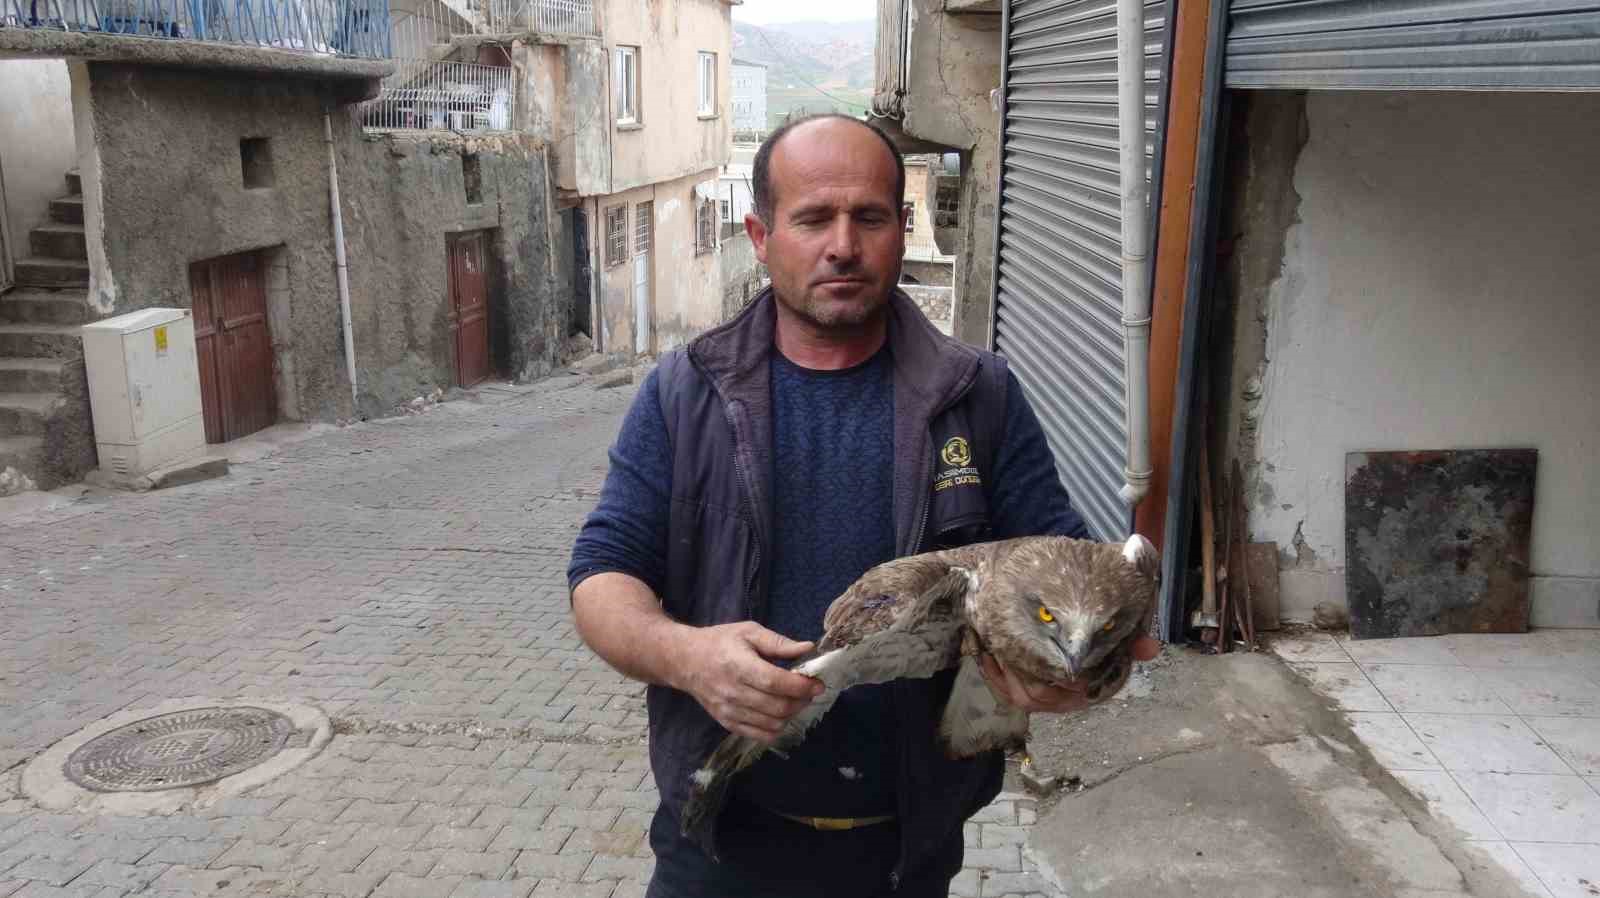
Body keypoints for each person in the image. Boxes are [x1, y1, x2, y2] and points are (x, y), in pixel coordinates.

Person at [567, 114, 1160, 898]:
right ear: (760, 234)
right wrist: (689, 658)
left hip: (905, 852)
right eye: (813, 218)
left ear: (902, 227)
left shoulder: (979, 396)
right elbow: (603, 573)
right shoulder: (686, 393)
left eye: (869, 217)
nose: (842, 244)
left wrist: (1067, 678)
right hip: (716, 840)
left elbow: (1068, 576)